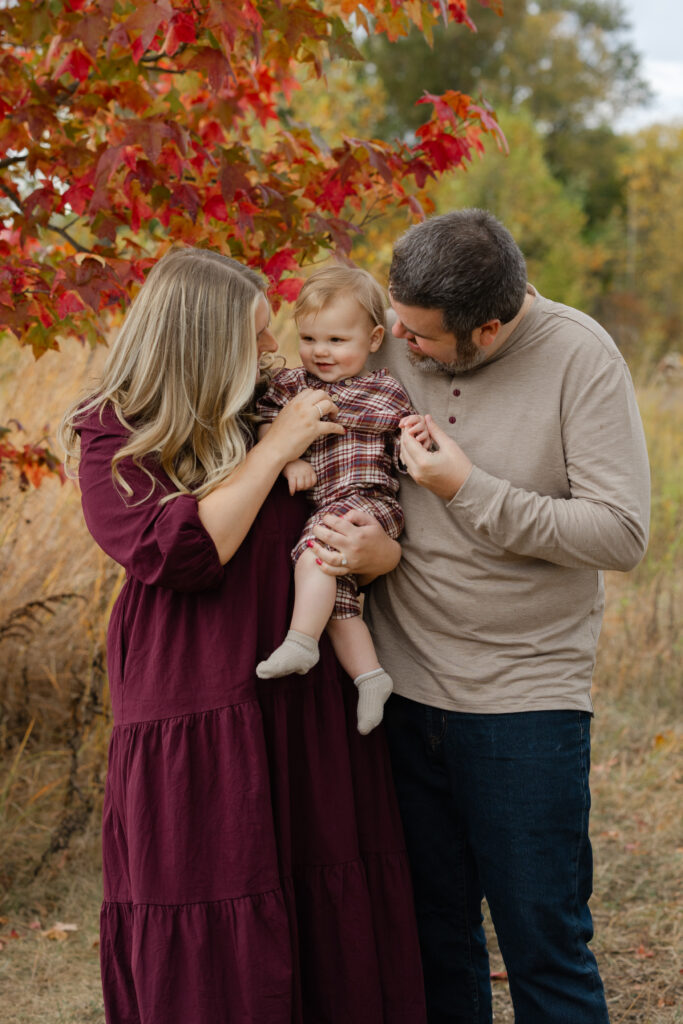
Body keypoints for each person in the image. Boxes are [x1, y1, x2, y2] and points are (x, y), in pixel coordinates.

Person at [59, 247, 428, 1024]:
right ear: (202, 339)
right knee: (209, 876)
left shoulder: (277, 399)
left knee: (319, 867)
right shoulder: (115, 432)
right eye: (254, 333)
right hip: (193, 686)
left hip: (300, 678)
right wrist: (273, 450)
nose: (271, 348)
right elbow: (184, 554)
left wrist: (380, 553)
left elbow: (361, 500)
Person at [307, 210, 650, 1023]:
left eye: (418, 336)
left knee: (542, 944)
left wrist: (466, 488)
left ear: (486, 329)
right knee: (432, 943)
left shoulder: (579, 358)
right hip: (397, 688)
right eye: (395, 321)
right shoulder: (393, 329)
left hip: (522, 701)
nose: (397, 342)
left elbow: (619, 533)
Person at [255, 266, 428, 735]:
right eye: (309, 338)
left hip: (369, 502)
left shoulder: (386, 389)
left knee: (314, 551)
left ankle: (300, 641)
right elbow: (266, 424)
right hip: (329, 505)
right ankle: (371, 678)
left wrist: (418, 441)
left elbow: (405, 450)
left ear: (373, 339)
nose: (321, 351)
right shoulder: (292, 385)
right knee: (338, 600)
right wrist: (288, 459)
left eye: (336, 340)